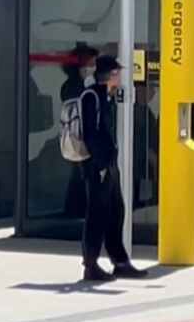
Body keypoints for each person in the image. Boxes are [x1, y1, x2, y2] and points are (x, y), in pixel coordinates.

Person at [81, 55, 148, 281]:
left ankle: (119, 261)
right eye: (118, 73)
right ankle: (90, 265)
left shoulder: (105, 97)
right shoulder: (92, 97)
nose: (120, 77)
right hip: (97, 166)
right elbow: (90, 134)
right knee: (97, 215)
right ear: (111, 75)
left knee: (115, 212)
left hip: (109, 164)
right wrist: (100, 164)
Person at [61, 44, 98, 220]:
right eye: (90, 64)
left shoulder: (84, 85)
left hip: (88, 136)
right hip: (79, 136)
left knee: (83, 175)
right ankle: (75, 212)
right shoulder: (72, 86)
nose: (93, 68)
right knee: (82, 175)